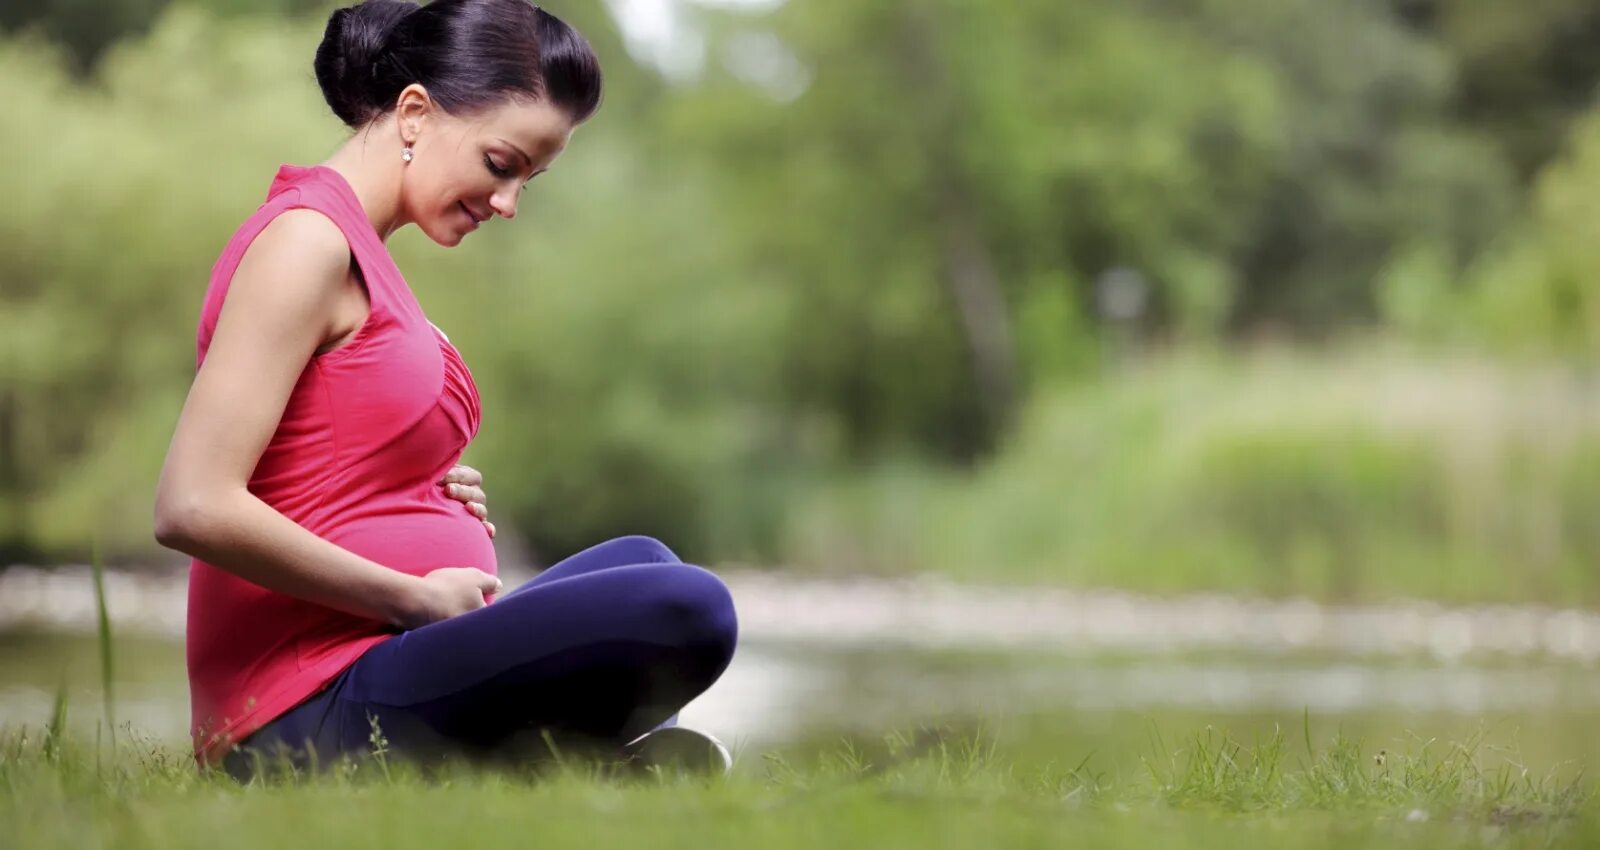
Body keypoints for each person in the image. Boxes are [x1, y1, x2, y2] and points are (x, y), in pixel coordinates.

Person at [151, 0, 738, 780]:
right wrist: (413, 596)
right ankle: (579, 771)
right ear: (416, 112)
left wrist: (414, 485)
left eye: (529, 179)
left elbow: (315, 453)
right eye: (501, 164)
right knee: (686, 609)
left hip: (385, 656)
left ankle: (574, 773)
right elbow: (192, 504)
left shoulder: (362, 250)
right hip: (303, 705)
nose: (508, 203)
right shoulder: (305, 242)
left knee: (645, 559)